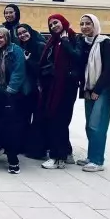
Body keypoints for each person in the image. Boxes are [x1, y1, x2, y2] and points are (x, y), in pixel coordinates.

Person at [77, 14, 110, 172]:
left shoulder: (104, 42)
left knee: (97, 124)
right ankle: (91, 156)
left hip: (103, 88)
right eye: (82, 24)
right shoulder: (82, 42)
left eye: (88, 23)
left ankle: (97, 161)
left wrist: (97, 90)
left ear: (95, 25)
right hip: (89, 88)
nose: (84, 27)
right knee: (89, 125)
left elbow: (108, 68)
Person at [37, 14, 81, 170]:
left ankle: (58, 158)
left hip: (65, 87)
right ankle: (66, 153)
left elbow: (78, 57)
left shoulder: (73, 38)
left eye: (56, 22)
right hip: (52, 86)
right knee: (57, 120)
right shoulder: (53, 40)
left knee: (59, 121)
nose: (53, 26)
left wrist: (66, 41)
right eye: (50, 24)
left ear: (63, 22)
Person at [16, 23, 47, 158]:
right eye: (19, 34)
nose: (22, 35)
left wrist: (28, 61)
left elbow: (43, 68)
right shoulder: (21, 47)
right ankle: (25, 146)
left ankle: (38, 150)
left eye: (24, 32)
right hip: (27, 89)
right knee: (25, 118)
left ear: (30, 31)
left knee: (38, 120)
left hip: (39, 88)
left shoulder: (40, 45)